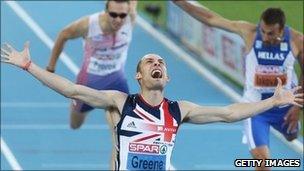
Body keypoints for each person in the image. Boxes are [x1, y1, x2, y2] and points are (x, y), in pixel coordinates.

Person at [1, 43, 303, 170]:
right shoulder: (120, 102)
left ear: (167, 77)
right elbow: (71, 89)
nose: (156, 63)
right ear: (139, 75)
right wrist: (29, 65)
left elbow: (229, 113)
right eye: (149, 61)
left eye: (161, 62)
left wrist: (272, 102)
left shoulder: (179, 110)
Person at [173, 1, 303, 170]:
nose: (264, 37)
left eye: (270, 33)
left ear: (281, 29)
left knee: (292, 138)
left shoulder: (297, 40)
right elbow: (211, 19)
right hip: (255, 109)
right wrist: (179, 2)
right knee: (263, 164)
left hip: (285, 107)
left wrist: (298, 107)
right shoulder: (249, 32)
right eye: (262, 31)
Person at [46, 0, 137, 130]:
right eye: (113, 14)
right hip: (89, 82)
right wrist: (50, 68)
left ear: (128, 13)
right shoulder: (90, 24)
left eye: (122, 15)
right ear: (105, 11)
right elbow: (63, 35)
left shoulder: (131, 18)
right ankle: (78, 105)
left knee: (123, 129)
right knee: (75, 125)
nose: (118, 19)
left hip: (117, 81)